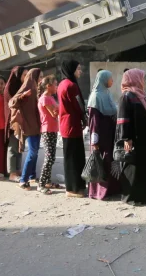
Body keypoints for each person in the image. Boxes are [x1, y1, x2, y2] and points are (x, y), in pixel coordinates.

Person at [115, 69, 146, 206]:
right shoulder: (127, 96)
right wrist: (126, 138)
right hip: (134, 138)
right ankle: (131, 197)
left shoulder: (141, 96)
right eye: (142, 78)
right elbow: (123, 118)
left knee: (143, 166)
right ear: (134, 79)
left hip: (144, 137)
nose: (143, 81)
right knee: (132, 166)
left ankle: (144, 196)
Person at [87, 70, 119, 200]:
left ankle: (111, 189)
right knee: (101, 163)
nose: (112, 81)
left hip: (110, 134)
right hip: (101, 137)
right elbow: (93, 123)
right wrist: (94, 142)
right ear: (104, 80)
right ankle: (99, 192)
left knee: (110, 161)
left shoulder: (107, 93)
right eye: (110, 79)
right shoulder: (95, 97)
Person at [58, 60, 87, 197]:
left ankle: (74, 187)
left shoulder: (62, 84)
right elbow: (79, 105)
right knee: (74, 158)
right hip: (72, 125)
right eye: (78, 68)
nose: (80, 71)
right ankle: (73, 189)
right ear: (71, 70)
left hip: (66, 125)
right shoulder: (71, 86)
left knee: (70, 158)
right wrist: (85, 118)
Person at [10, 68, 42, 190]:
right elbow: (12, 102)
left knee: (35, 151)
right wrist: (22, 96)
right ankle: (23, 179)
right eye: (39, 77)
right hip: (29, 125)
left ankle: (32, 175)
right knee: (33, 152)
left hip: (37, 125)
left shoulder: (37, 89)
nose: (40, 80)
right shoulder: (26, 88)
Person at [37, 75, 60, 194]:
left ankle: (48, 181)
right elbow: (54, 114)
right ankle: (41, 184)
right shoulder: (45, 98)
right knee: (49, 158)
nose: (57, 87)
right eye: (55, 84)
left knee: (52, 157)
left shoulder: (50, 97)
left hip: (53, 129)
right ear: (48, 86)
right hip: (47, 130)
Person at [4, 67, 26, 180]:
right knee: (13, 146)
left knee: (19, 146)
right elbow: (13, 103)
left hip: (21, 120)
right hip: (13, 121)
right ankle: (12, 172)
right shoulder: (10, 88)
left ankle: (17, 170)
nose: (25, 77)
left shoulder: (21, 87)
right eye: (24, 75)